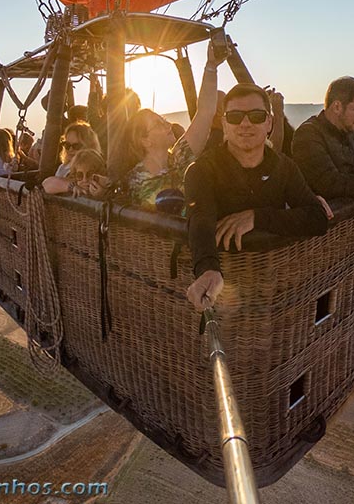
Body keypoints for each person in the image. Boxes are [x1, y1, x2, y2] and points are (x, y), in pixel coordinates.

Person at [185, 83, 332, 311]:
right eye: (234, 117)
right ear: (224, 124)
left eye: (256, 115)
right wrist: (207, 269)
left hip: (274, 293)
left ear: (269, 123)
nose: (245, 124)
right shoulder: (202, 170)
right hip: (227, 296)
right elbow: (200, 220)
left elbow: (317, 218)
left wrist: (257, 217)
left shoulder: (284, 168)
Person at [123, 41, 227, 209]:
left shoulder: (180, 157)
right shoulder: (133, 180)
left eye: (164, 120)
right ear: (145, 141)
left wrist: (211, 67)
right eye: (159, 124)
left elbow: (205, 113)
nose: (168, 125)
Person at [41, 122, 101, 194]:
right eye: (67, 145)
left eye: (76, 146)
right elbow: (47, 184)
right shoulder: (63, 167)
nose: (70, 150)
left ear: (89, 146)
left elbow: (49, 184)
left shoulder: (91, 169)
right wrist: (72, 187)